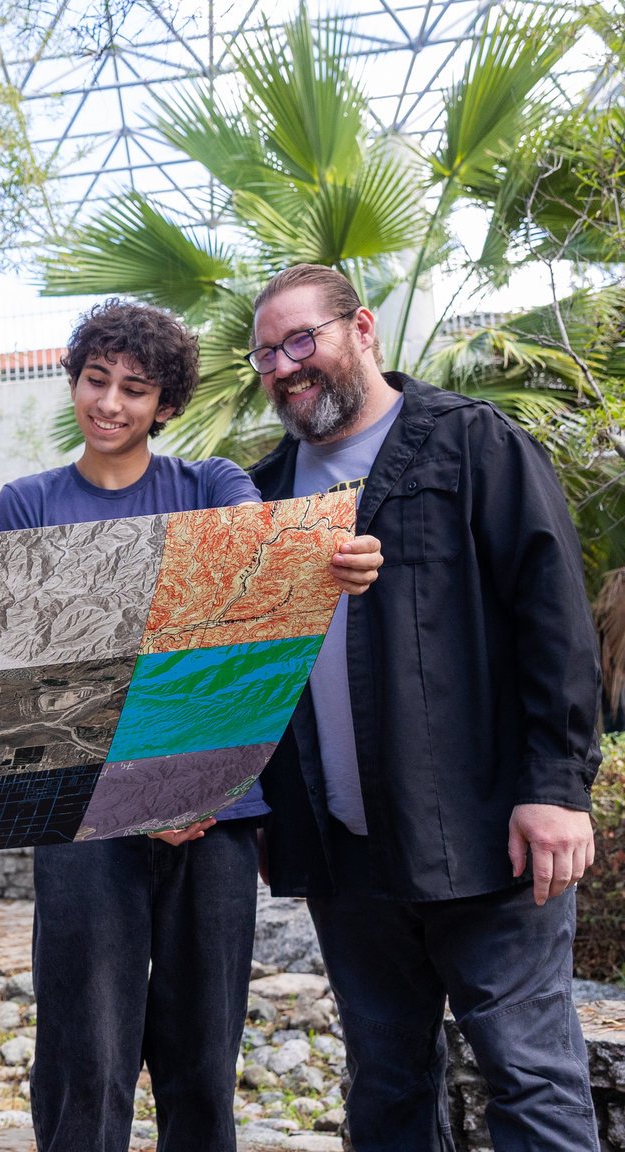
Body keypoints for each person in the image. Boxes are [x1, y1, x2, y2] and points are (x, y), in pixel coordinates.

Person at [0, 299, 382, 1152]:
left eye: (136, 389)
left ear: (164, 406)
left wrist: (334, 559)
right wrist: (136, 795)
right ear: (73, 383)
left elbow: (253, 606)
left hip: (217, 819)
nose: (112, 404)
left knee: (203, 1066)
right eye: (97, 381)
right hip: (83, 824)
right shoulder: (24, 507)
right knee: (81, 1062)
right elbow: (15, 688)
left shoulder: (212, 486)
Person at [247, 263, 601, 1152]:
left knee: (530, 1076)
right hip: (347, 856)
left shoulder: (470, 442)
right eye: (265, 354)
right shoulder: (260, 491)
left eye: (302, 340)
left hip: (490, 838)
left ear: (361, 329)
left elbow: (555, 619)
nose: (285, 366)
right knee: (388, 1084)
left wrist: (557, 789)